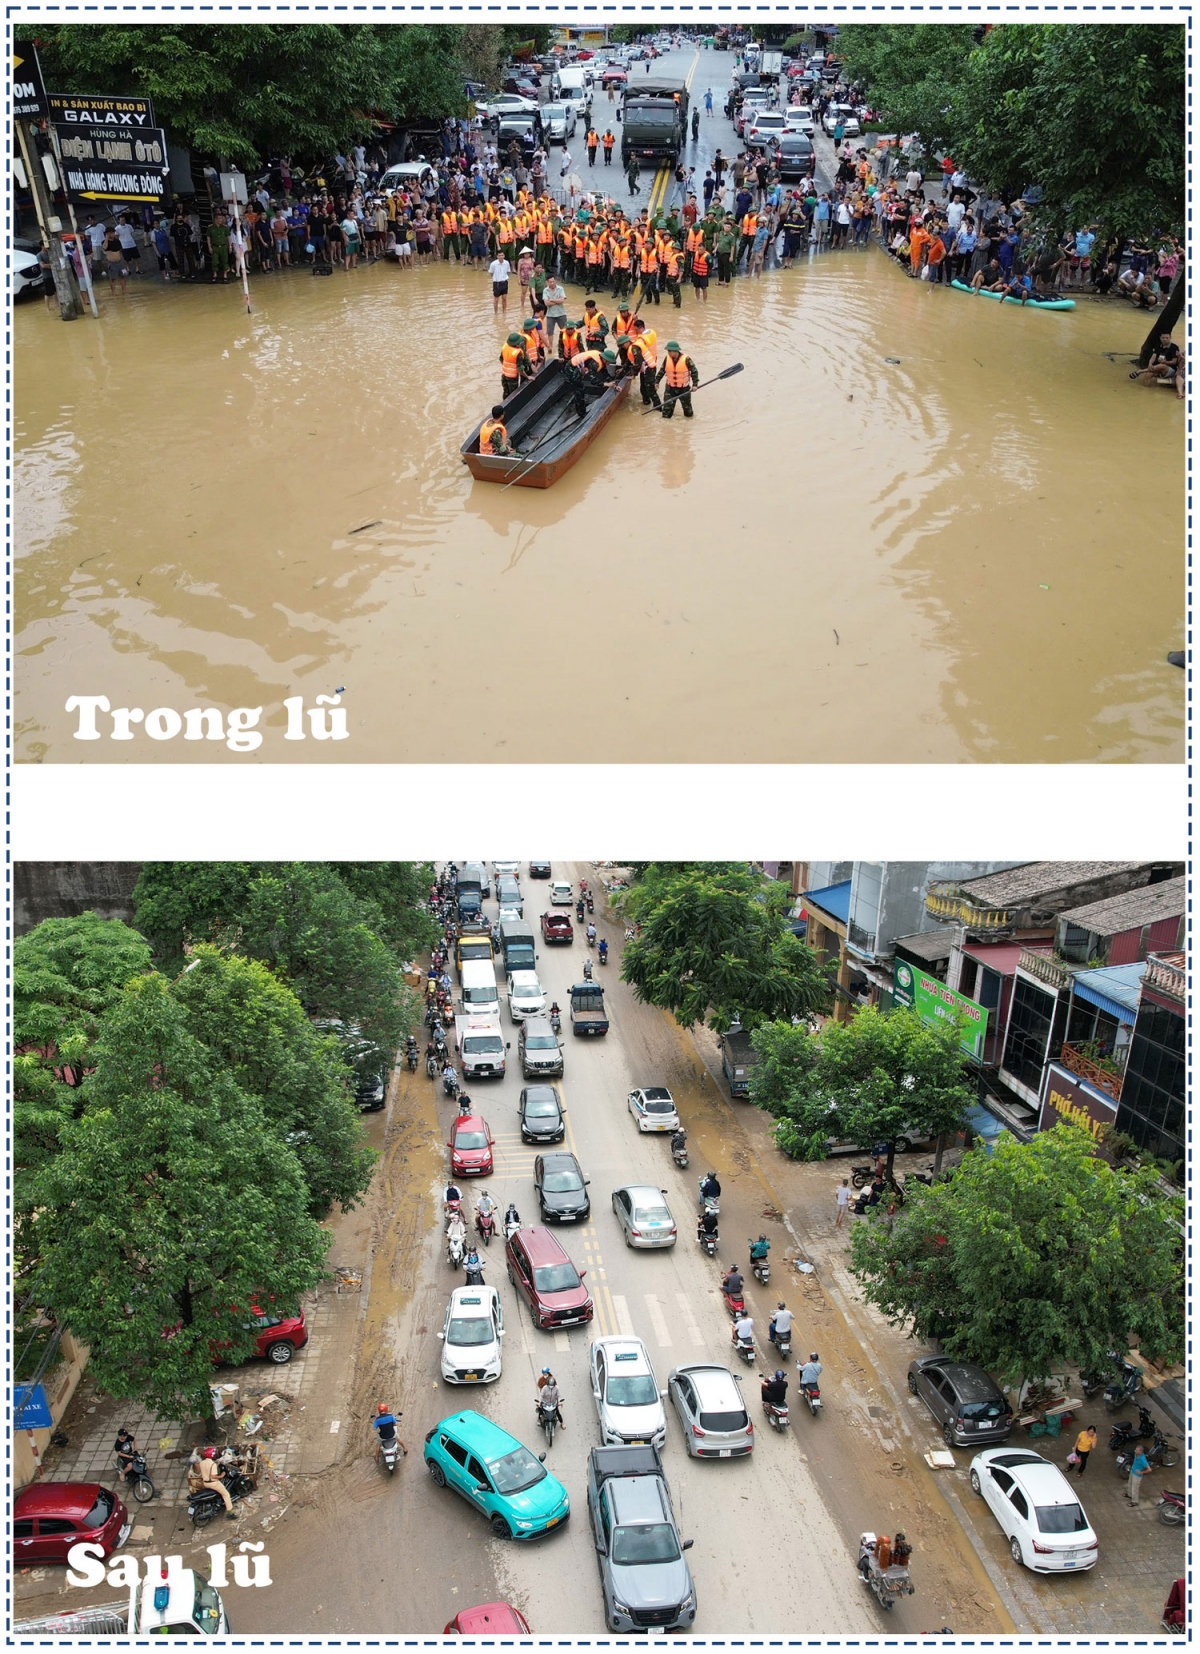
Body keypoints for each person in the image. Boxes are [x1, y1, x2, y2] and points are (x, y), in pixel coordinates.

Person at [657, 342, 700, 418]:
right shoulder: (667, 358)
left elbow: (694, 371)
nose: (669, 353)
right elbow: (662, 370)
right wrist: (657, 382)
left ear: (676, 351)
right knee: (666, 412)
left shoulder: (686, 359)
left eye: (670, 351)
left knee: (688, 412)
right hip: (670, 388)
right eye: (668, 351)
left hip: (684, 389)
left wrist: (695, 385)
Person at [196, 1447, 235, 1517]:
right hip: (213, 1483)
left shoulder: (201, 1463)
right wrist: (221, 1476)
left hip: (205, 1483)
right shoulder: (212, 1464)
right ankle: (230, 1512)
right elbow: (213, 1476)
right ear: (212, 1455)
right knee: (226, 1494)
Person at [499, 332, 531, 400]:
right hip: (512, 377)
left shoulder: (505, 347)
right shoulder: (517, 353)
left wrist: (507, 368)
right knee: (513, 394)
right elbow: (520, 369)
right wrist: (528, 377)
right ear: (516, 344)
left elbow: (501, 359)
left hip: (504, 374)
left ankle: (504, 405)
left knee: (506, 392)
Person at [489, 251, 513, 316]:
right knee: (496, 300)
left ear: (504, 256)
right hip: (497, 283)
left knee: (504, 299)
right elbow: (491, 273)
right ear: (497, 256)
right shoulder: (493, 264)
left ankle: (504, 312)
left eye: (502, 255)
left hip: (505, 282)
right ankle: (496, 313)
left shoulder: (507, 263)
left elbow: (508, 272)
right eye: (499, 255)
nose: (501, 257)